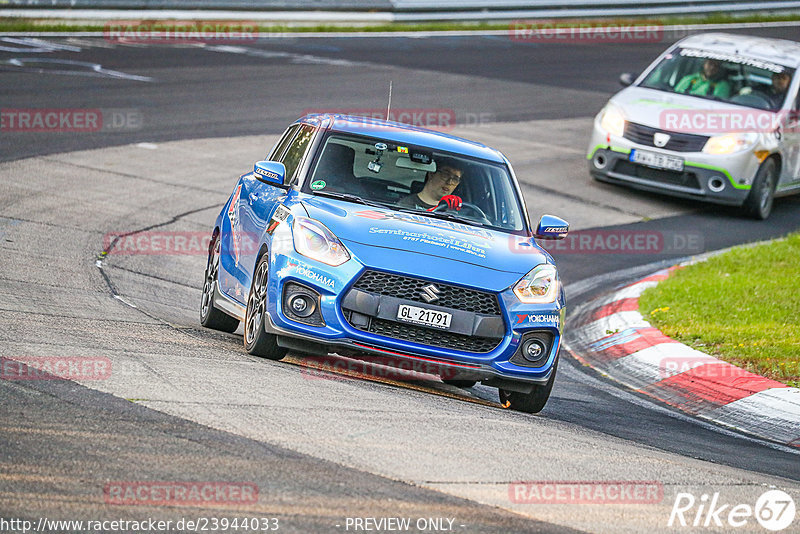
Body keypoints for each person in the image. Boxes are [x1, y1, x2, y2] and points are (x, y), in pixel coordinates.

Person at [398, 158, 464, 211]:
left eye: (455, 179)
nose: (449, 182)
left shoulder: (457, 213)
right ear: (431, 174)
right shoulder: (406, 204)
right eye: (445, 175)